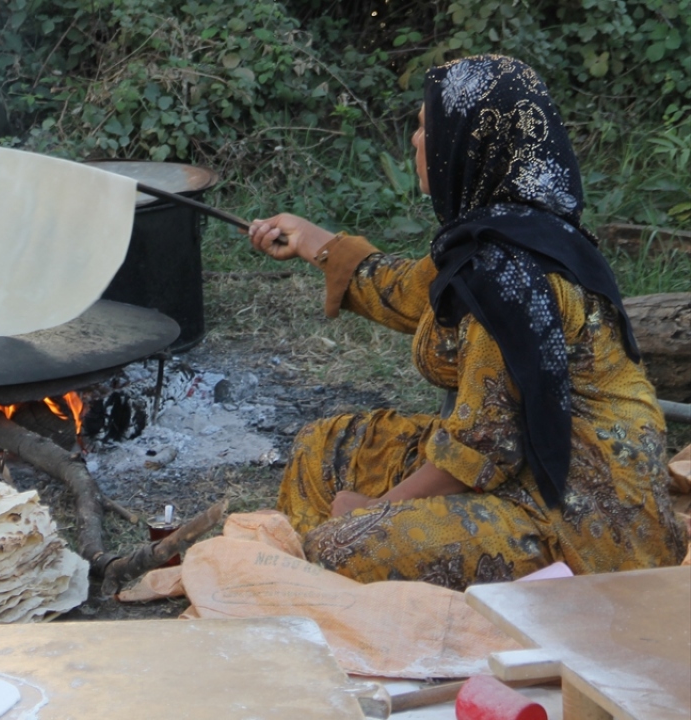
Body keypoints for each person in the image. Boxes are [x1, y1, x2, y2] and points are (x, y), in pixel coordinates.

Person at [247, 54, 687, 590]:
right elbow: (410, 291)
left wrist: (371, 511)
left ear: (471, 145)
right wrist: (314, 242)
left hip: (582, 522)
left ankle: (326, 595)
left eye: (428, 128)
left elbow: (483, 448)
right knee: (328, 446)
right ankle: (326, 588)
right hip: (522, 470)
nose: (415, 141)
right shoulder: (508, 231)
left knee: (339, 545)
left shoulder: (511, 275)